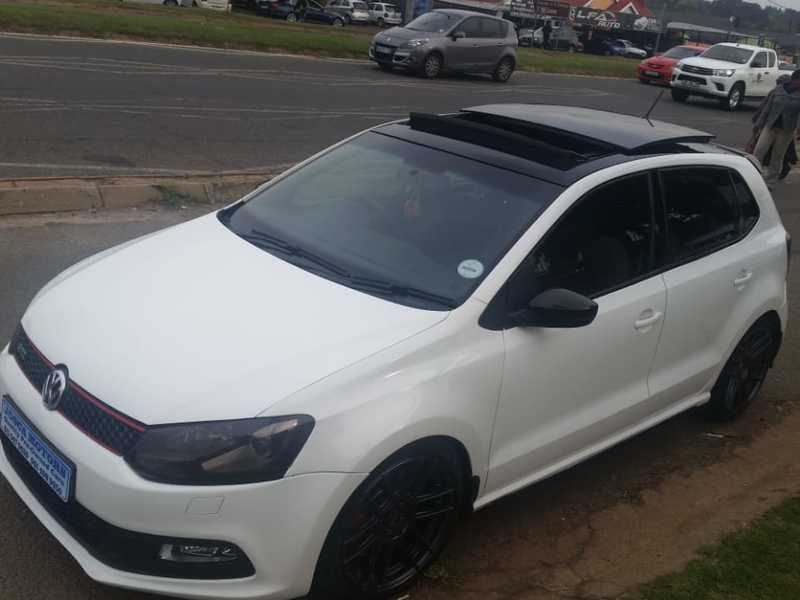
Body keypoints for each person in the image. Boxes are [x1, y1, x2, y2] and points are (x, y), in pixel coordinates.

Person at [752, 69, 800, 183]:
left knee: (777, 156)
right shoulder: (779, 89)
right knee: (759, 150)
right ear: (796, 80)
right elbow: (767, 108)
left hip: (786, 130)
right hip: (770, 125)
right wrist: (758, 124)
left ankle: (770, 181)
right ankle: (753, 175)